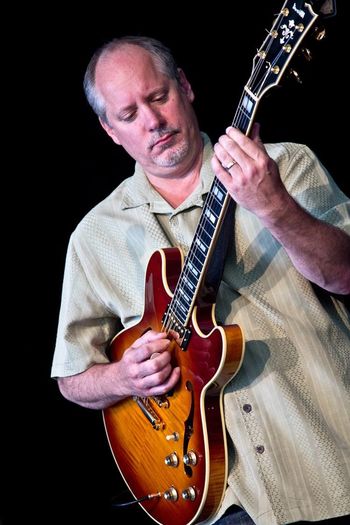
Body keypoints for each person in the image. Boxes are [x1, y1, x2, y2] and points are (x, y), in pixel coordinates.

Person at [51, 35, 350, 525]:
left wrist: (273, 205)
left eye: (158, 97)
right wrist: (123, 377)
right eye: (128, 115)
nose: (152, 122)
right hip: (216, 501)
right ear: (109, 131)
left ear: (185, 87)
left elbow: (344, 275)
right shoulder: (95, 236)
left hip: (328, 469)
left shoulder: (286, 165)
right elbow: (72, 378)